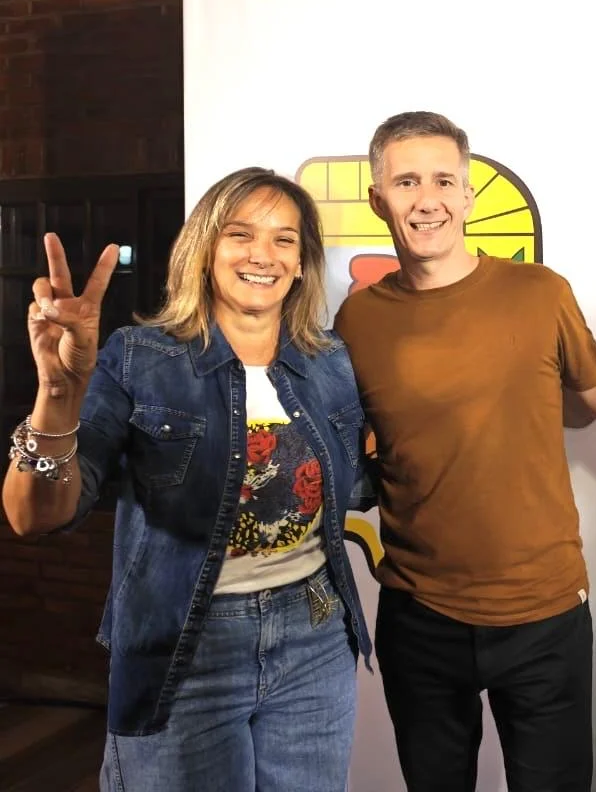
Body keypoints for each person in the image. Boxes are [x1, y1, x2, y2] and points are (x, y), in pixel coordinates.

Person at [334, 111, 596, 791]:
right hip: (418, 616)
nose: (427, 199)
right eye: (407, 182)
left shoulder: (539, 293)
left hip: (543, 612)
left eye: (443, 181)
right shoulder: (358, 318)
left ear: (468, 196)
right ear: (378, 199)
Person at [2, 168, 375, 792]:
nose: (263, 254)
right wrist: (58, 395)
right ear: (204, 249)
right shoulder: (139, 358)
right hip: (185, 642)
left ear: (302, 264)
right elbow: (34, 514)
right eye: (240, 234)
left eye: (284, 240)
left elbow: (361, 484)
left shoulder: (329, 361)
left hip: (313, 638)